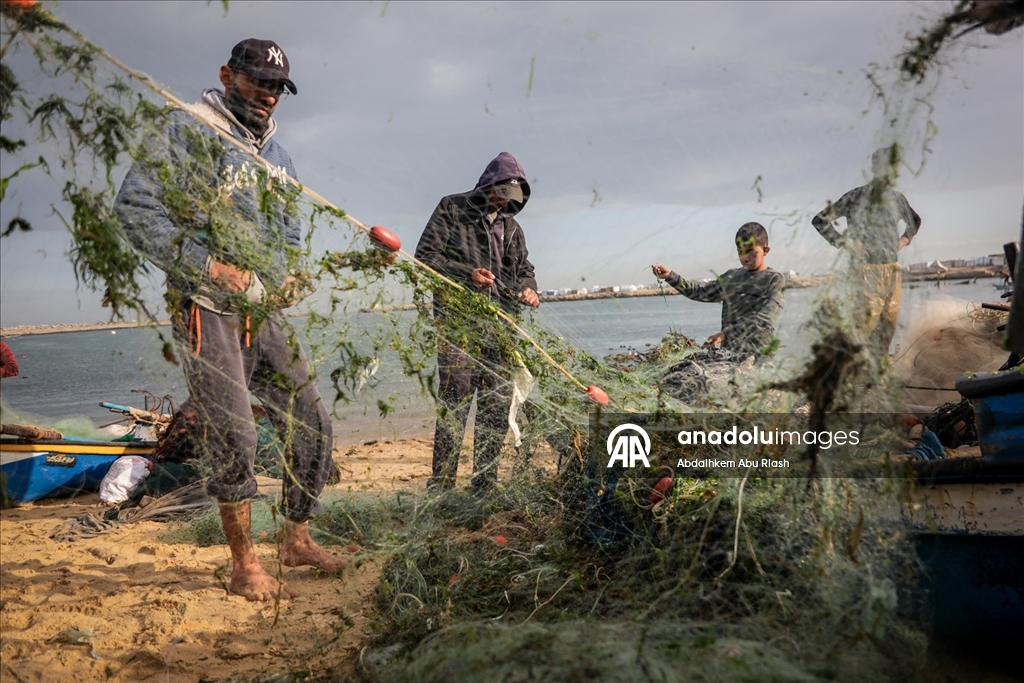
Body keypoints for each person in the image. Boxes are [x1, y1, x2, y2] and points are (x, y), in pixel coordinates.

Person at [115, 39, 342, 602]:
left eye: (276, 87)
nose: (267, 94)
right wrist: (208, 264)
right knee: (234, 431)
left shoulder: (280, 157)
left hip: (260, 309)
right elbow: (135, 208)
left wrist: (290, 274)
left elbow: (289, 232)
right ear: (228, 74)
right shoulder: (186, 128)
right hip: (203, 305)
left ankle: (296, 537)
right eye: (257, 81)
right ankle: (244, 564)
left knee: (312, 420)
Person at [414, 152, 540, 492]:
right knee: (455, 398)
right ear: (487, 186)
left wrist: (529, 289)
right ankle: (441, 484)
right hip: (458, 325)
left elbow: (525, 270)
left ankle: (484, 482)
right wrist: (466, 274)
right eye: (500, 195)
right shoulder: (452, 209)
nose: (503, 204)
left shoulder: (512, 228)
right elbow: (424, 258)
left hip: (502, 328)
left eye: (511, 200)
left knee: (496, 403)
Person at [652, 222, 785, 402]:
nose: (745, 257)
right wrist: (671, 276)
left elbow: (764, 320)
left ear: (765, 250)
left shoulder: (774, 280)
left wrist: (725, 334)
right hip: (730, 359)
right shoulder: (732, 277)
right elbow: (700, 292)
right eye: (740, 252)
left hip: (760, 359)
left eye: (751, 251)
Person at [812, 145, 921, 360]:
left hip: (892, 269)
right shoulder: (856, 196)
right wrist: (845, 243)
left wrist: (904, 240)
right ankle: (850, 374)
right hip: (864, 271)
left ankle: (878, 373)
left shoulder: (897, 198)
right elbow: (819, 220)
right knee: (862, 328)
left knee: (888, 325)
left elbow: (915, 221)